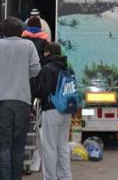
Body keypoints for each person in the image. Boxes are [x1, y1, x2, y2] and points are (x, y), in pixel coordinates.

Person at [0, 17, 41, 180]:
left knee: (3, 146)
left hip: (2, 101)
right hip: (22, 100)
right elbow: (36, 69)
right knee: (18, 145)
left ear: (4, 31)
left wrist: (2, 73)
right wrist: (22, 75)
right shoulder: (28, 45)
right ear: (21, 31)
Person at [38, 42, 73, 180]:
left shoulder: (47, 68)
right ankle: (65, 176)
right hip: (66, 111)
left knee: (49, 148)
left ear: (48, 52)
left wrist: (37, 92)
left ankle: (50, 178)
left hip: (51, 111)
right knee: (63, 146)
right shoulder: (69, 69)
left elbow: (43, 91)